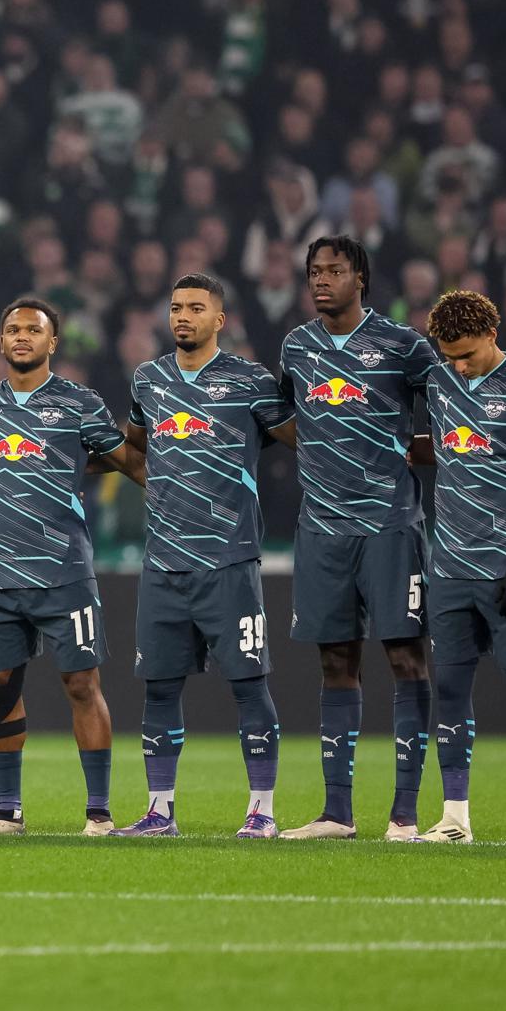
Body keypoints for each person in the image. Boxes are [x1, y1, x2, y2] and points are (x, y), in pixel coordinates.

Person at [113, 275, 296, 839]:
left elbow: (303, 439)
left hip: (229, 561)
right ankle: (159, 811)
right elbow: (136, 446)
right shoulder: (149, 380)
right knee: (160, 687)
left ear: (220, 319)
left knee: (248, 684)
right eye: (175, 308)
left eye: (196, 308)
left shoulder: (250, 382)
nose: (183, 316)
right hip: (163, 563)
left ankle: (261, 809)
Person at [0, 297, 145, 835]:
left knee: (82, 685)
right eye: (11, 328)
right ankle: (8, 812)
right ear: (0, 339)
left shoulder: (79, 403)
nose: (20, 337)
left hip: (64, 571)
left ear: (52, 342)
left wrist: (180, 489)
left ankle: (100, 813)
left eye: (32, 330)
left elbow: (128, 461)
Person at [276, 235, 440, 841]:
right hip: (322, 529)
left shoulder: (403, 346)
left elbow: (452, 416)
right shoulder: (296, 346)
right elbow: (285, 421)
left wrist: (403, 454)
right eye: (315, 271)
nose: (322, 281)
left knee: (404, 656)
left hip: (391, 526)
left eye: (334, 270)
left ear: (360, 278)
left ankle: (404, 812)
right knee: (335, 661)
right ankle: (337, 813)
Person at [417, 290, 506, 845]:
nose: (458, 364)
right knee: (449, 690)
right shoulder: (438, 381)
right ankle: (455, 817)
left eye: (467, 354)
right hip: (448, 564)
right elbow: (451, 447)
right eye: (449, 355)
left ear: (491, 335)